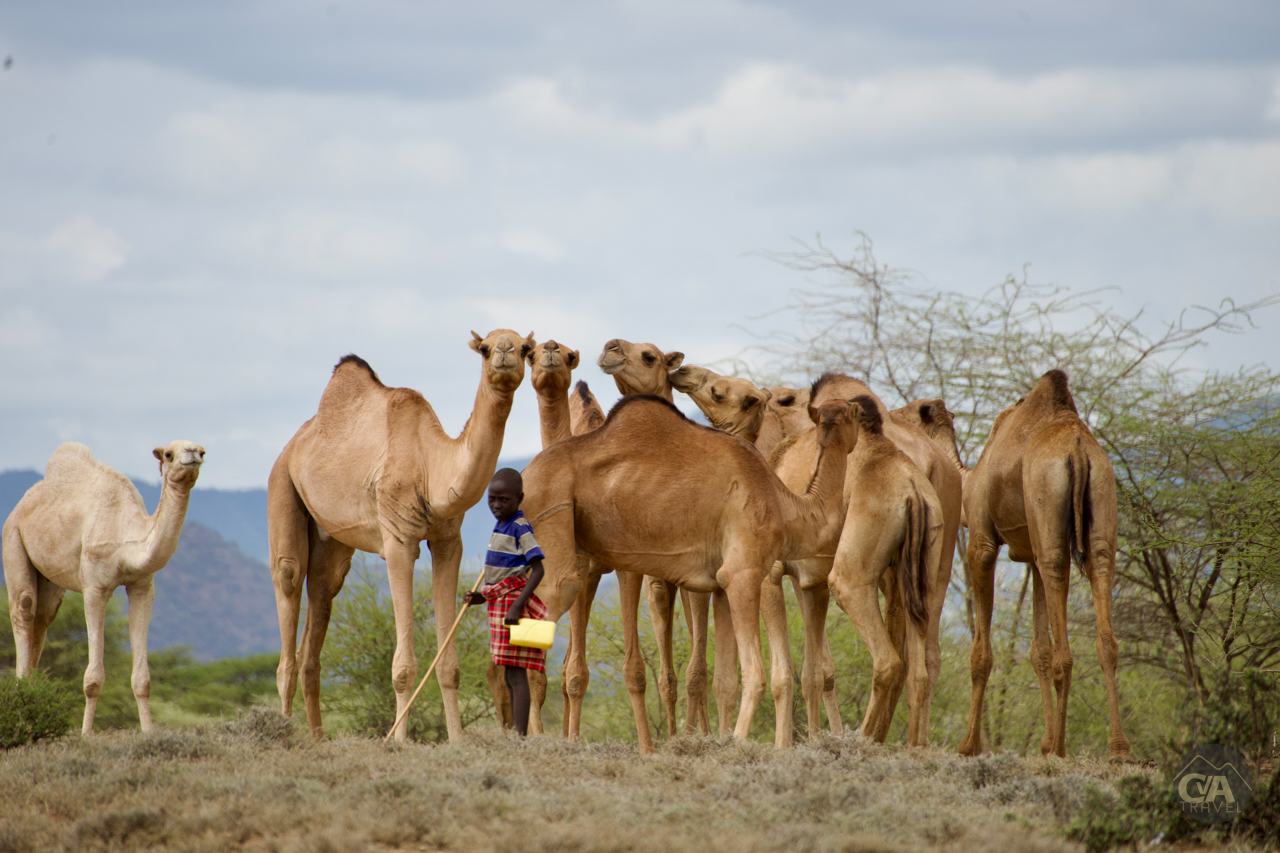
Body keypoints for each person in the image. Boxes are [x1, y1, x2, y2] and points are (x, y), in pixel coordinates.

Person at [467, 467, 546, 736]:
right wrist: (481, 597)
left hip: (512, 604)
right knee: (509, 673)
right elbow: (504, 572)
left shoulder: (520, 527)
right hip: (499, 602)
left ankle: (520, 737)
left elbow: (538, 570)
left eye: (504, 499)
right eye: (492, 499)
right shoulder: (501, 525)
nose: (497, 505)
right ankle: (516, 735)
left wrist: (517, 605)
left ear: (519, 499)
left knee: (516, 673)